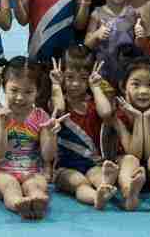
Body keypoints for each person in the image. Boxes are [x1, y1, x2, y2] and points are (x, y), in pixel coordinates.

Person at [47, 46, 118, 209]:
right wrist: (56, 85)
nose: (75, 84)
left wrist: (95, 87)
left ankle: (105, 186)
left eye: (83, 78)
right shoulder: (58, 101)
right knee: (80, 183)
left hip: (92, 163)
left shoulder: (94, 103)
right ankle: (96, 197)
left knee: (99, 177)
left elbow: (106, 113)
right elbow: (58, 110)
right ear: (62, 76)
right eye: (69, 77)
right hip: (65, 167)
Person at [0, 57, 55, 220]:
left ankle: (37, 201)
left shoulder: (41, 117)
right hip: (3, 172)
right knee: (10, 187)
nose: (20, 97)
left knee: (35, 186)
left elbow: (48, 156)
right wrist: (2, 126)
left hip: (33, 172)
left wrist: (50, 134)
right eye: (14, 90)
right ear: (4, 87)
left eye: (28, 92)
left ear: (37, 91)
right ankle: (18, 203)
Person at [113, 57, 150, 211]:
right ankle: (129, 194)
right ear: (123, 87)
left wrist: (145, 118)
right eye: (136, 84)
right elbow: (134, 152)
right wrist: (139, 117)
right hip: (129, 171)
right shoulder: (117, 115)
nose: (143, 91)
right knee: (129, 159)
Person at [84, 0, 144, 93]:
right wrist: (97, 34)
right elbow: (87, 44)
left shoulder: (134, 14)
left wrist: (140, 37)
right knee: (106, 100)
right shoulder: (97, 14)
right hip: (103, 73)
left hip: (128, 73)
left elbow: (140, 48)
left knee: (125, 100)